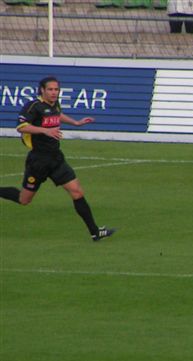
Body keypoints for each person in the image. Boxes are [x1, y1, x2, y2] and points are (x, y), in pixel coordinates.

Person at [0, 76, 116, 242]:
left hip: (56, 159)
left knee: (77, 192)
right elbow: (21, 126)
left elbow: (58, 115)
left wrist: (76, 123)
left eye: (56, 89)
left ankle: (95, 232)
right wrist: (44, 131)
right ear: (42, 90)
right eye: (50, 89)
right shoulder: (34, 106)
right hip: (38, 161)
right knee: (24, 199)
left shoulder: (54, 105)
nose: (54, 92)